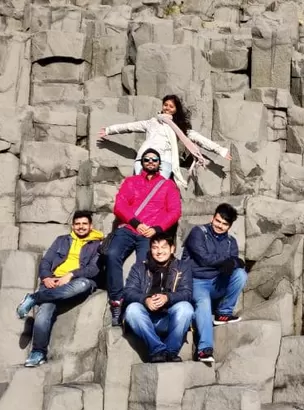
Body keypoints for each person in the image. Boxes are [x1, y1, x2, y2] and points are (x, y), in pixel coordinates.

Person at [16, 211, 104, 367]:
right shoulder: (61, 240)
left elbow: (93, 270)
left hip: (78, 280)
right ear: (73, 226)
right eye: (77, 224)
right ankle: (38, 353)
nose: (81, 227)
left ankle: (34, 298)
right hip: (53, 281)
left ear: (91, 226)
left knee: (82, 285)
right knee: (44, 312)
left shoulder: (97, 245)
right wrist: (46, 278)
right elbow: (46, 261)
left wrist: (71, 275)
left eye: (84, 224)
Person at [106, 149, 182, 326]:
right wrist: (134, 222)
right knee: (112, 254)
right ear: (142, 162)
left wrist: (156, 228)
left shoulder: (168, 185)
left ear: (159, 163)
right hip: (130, 228)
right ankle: (117, 301)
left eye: (154, 159)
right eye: (146, 159)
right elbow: (120, 205)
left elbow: (175, 211)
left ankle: (137, 303)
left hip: (150, 232)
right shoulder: (131, 182)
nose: (150, 162)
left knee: (144, 264)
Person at [97, 94, 230, 188]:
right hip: (144, 158)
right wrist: (109, 130)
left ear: (176, 109)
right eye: (165, 105)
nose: (167, 108)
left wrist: (221, 150)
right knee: (140, 188)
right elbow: (129, 127)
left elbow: (201, 140)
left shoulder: (181, 129)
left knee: (158, 190)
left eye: (171, 106)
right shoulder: (152, 122)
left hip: (164, 162)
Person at [183, 203, 247, 363]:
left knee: (240, 274)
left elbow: (236, 263)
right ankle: (204, 349)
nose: (219, 225)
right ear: (213, 217)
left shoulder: (231, 242)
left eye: (224, 224)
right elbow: (203, 258)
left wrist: (234, 263)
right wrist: (228, 261)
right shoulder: (198, 232)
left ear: (229, 226)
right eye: (218, 221)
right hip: (197, 281)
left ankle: (223, 313)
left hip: (216, 283)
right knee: (203, 303)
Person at [122, 235, 196, 363]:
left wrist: (167, 297)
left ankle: (171, 352)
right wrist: (145, 300)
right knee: (132, 309)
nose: (159, 251)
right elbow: (128, 292)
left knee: (186, 308)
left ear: (172, 249)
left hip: (169, 318)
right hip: (145, 320)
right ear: (151, 249)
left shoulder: (183, 267)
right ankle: (157, 350)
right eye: (155, 247)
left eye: (163, 247)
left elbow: (187, 293)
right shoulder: (139, 267)